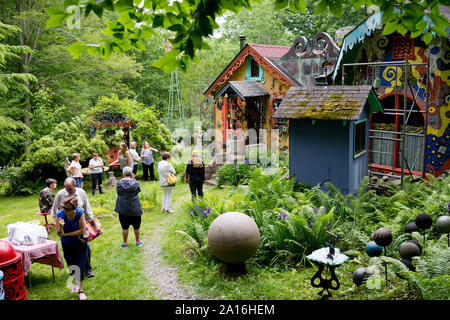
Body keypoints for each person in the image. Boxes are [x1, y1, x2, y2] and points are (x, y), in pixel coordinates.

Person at [51, 177, 95, 278]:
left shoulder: (81, 192)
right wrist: (58, 223)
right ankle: (75, 272)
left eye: (70, 188)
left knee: (86, 247)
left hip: (80, 223)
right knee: (69, 251)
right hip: (66, 225)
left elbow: (87, 207)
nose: (68, 190)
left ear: (75, 185)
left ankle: (88, 269)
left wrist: (90, 221)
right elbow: (54, 211)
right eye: (66, 188)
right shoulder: (61, 194)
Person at [56, 195, 88, 300]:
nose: (63, 209)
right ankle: (75, 283)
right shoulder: (60, 214)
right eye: (63, 207)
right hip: (67, 244)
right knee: (71, 265)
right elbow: (59, 234)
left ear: (73, 208)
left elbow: (82, 231)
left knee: (79, 266)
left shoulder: (79, 213)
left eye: (66, 208)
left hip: (79, 243)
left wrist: (66, 234)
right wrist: (61, 227)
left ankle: (80, 290)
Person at [115, 166, 144, 248]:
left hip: (122, 208)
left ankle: (124, 243)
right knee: (137, 227)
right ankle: (138, 242)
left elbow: (118, 192)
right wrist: (133, 179)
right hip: (135, 208)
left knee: (124, 227)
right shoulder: (135, 183)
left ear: (123, 174)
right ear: (131, 174)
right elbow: (138, 191)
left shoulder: (119, 183)